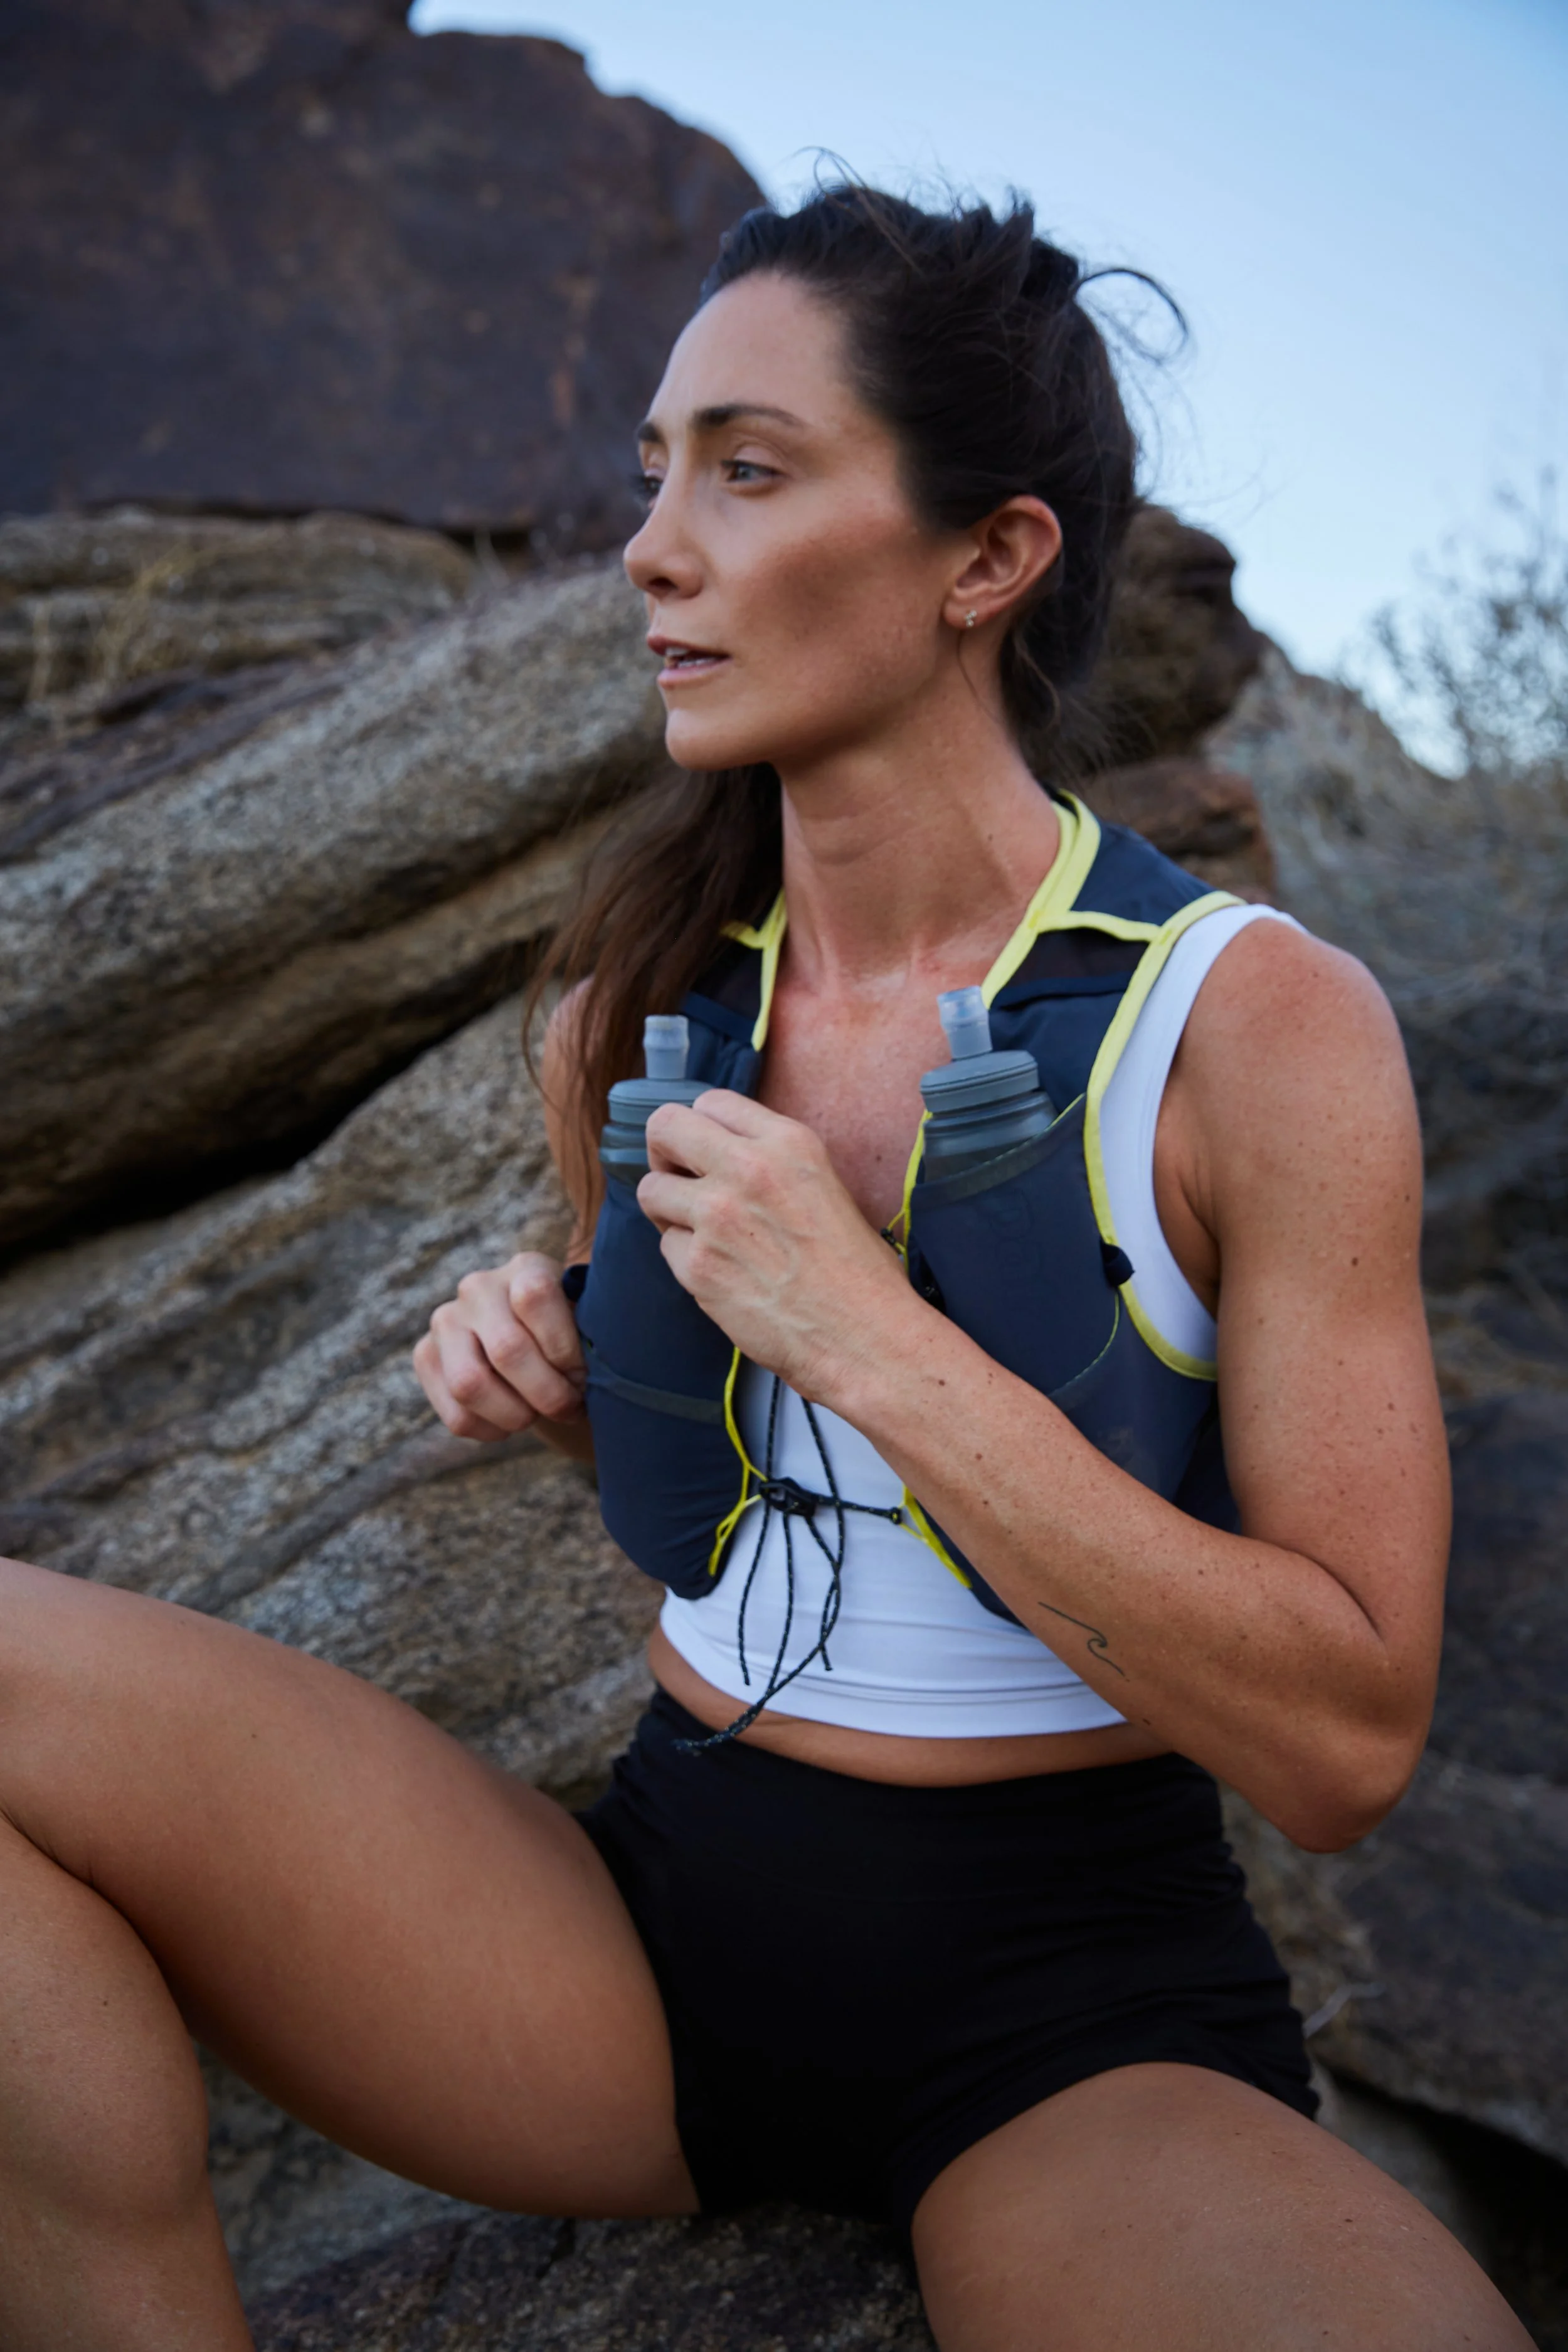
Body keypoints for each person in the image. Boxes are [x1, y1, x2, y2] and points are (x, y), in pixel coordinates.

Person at [0, 186, 1530, 2352]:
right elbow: (731, 1537)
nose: (650, 548)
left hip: (1064, 2021)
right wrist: (561, 1372)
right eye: (652, 475)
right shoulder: (639, 1007)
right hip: (644, 1944)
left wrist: (868, 1337)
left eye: (747, 466)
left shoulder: (1249, 1024)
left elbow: (1348, 1736)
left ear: (985, 559)